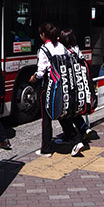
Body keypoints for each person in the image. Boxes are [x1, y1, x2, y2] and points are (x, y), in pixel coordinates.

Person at [58, 28, 99, 156]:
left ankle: (74, 139)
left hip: (68, 90)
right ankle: (84, 128)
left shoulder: (63, 53)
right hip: (79, 89)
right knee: (74, 112)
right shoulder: (77, 51)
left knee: (63, 114)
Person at [29, 22, 65, 157]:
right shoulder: (61, 46)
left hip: (49, 85)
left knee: (46, 117)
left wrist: (34, 78)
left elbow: (41, 71)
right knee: (62, 110)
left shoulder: (44, 49)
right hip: (63, 84)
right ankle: (72, 136)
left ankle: (46, 148)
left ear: (44, 35)